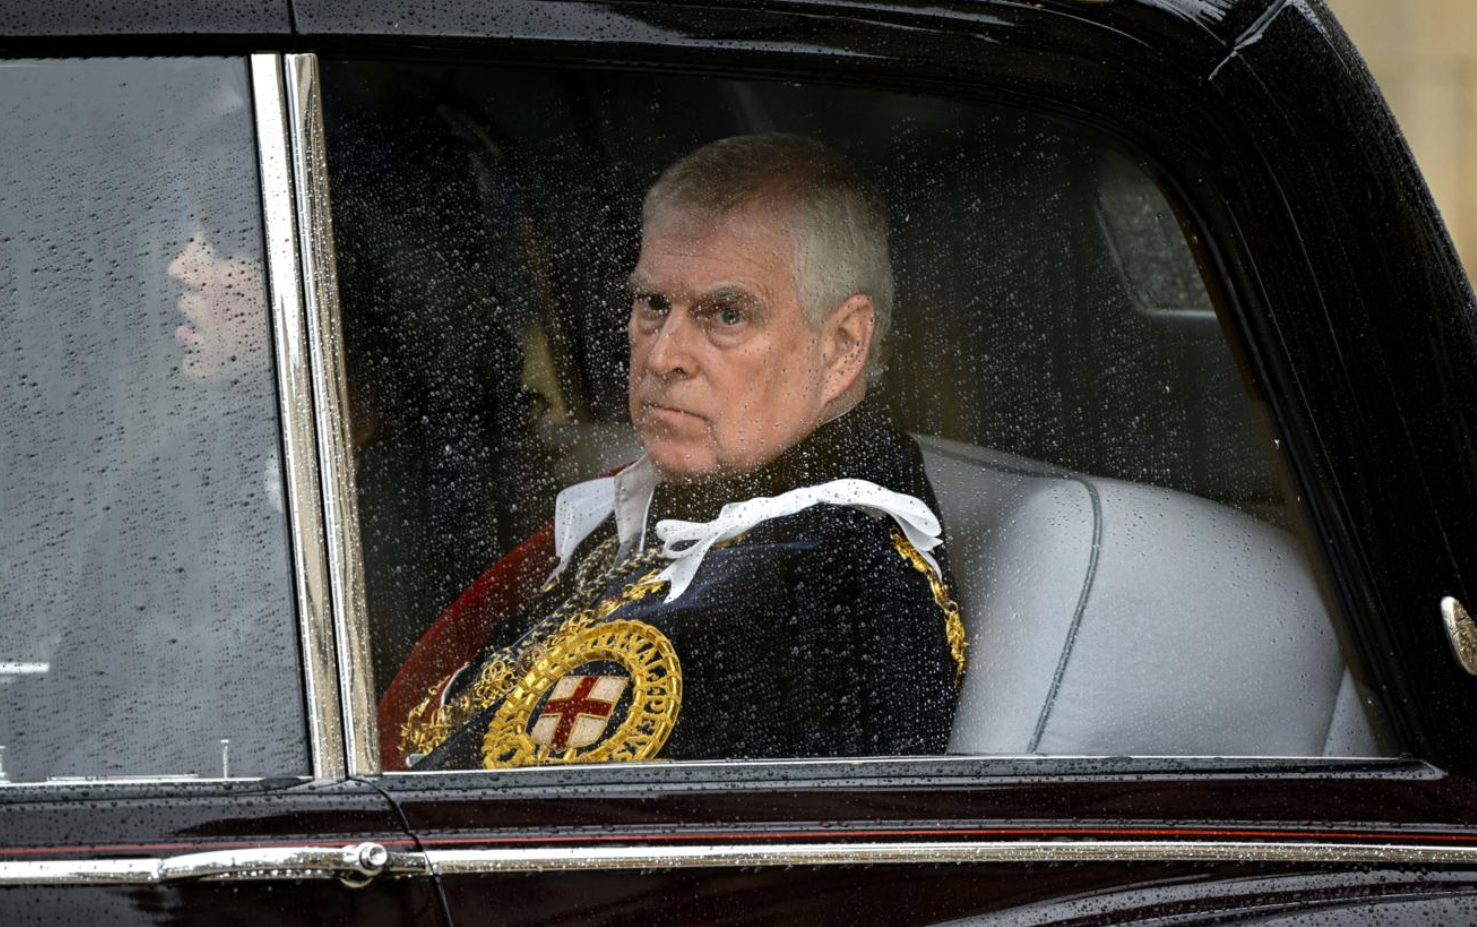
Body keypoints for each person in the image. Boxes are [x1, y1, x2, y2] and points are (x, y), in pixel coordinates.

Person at [386, 133, 966, 771]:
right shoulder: (700, 506)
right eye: (653, 304)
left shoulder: (824, 596)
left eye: (727, 314)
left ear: (842, 346)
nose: (663, 356)